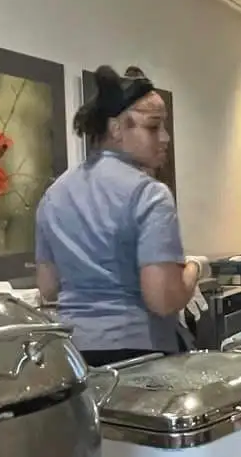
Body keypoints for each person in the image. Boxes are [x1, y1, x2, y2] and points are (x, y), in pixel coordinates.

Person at [34, 65, 205, 365]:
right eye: (153, 127)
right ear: (116, 128)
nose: (164, 137)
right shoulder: (149, 194)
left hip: (74, 356)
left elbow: (48, 287)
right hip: (140, 356)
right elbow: (163, 300)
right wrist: (193, 271)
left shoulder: (54, 194)